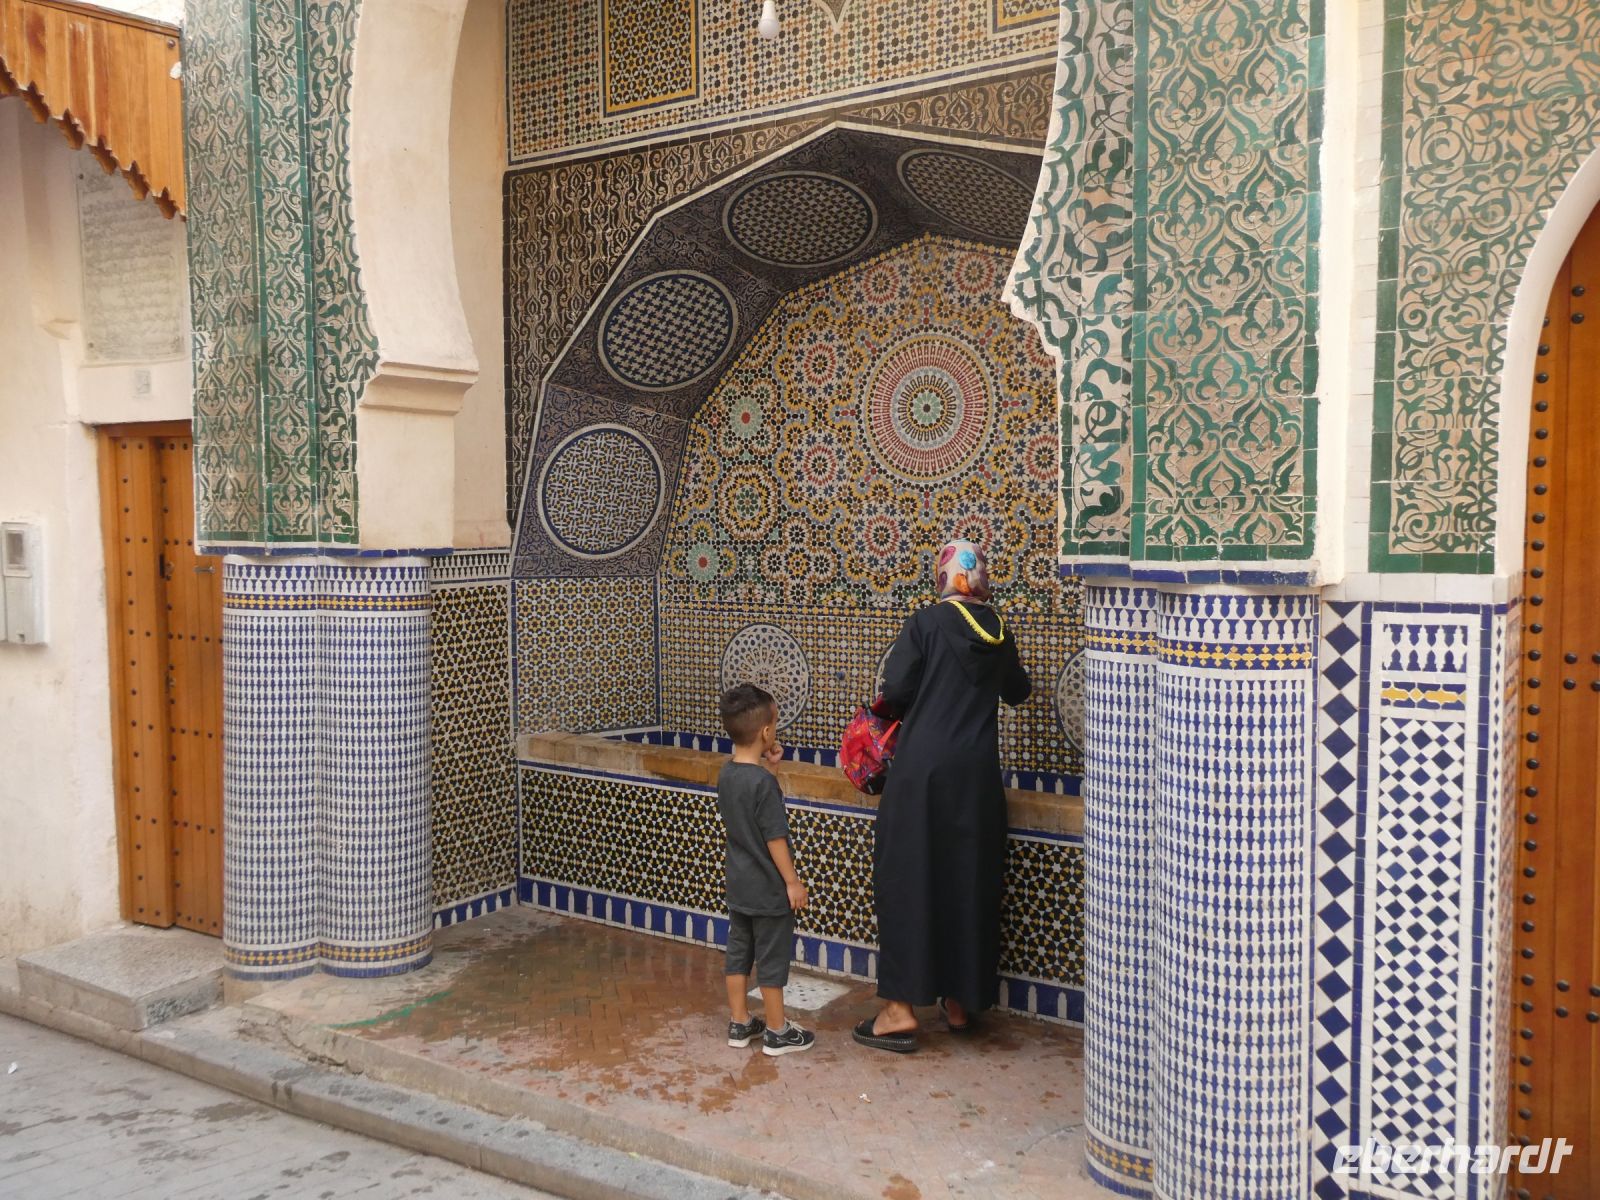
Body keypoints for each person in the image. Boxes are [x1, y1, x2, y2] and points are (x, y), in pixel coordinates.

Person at [853, 539, 1032, 1053]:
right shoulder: (997, 630)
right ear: (981, 582)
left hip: (921, 776)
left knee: (907, 879)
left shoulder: (926, 623)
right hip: (975, 779)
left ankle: (898, 1010)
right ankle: (958, 1002)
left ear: (942, 576)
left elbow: (897, 689)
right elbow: (1018, 692)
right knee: (967, 879)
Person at [716, 683, 816, 1057]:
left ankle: (740, 1022)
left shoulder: (728, 775)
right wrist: (792, 882)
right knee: (772, 960)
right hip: (769, 891)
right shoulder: (763, 786)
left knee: (738, 953)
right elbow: (775, 837)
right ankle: (777, 1030)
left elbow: (749, 814)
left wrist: (769, 766)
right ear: (767, 732)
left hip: (739, 886)